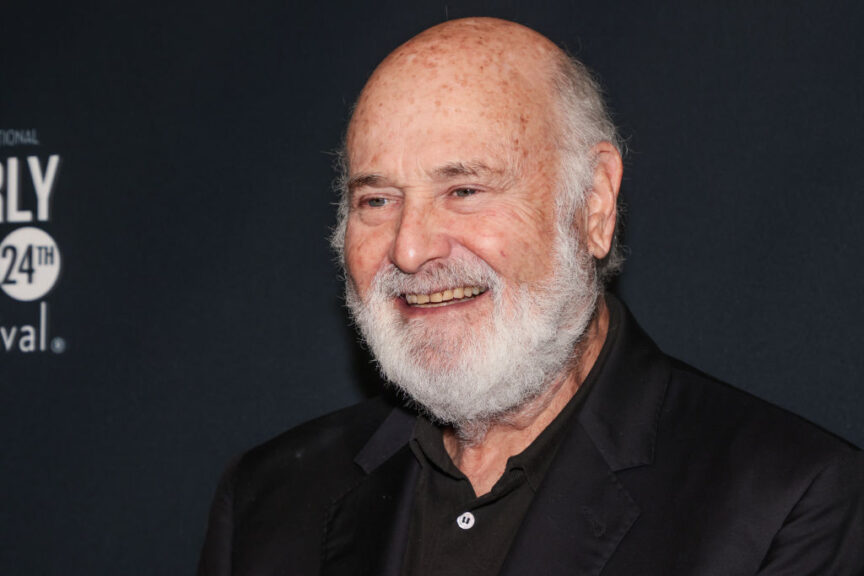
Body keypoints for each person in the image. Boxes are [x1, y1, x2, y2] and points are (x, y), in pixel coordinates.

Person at [198, 17, 864, 576]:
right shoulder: (268, 501)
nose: (409, 248)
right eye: (377, 200)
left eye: (464, 190)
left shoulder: (790, 502)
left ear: (594, 204)